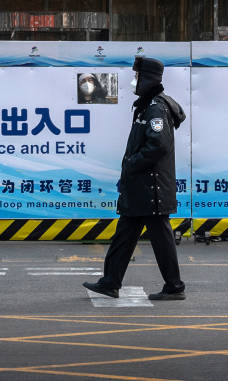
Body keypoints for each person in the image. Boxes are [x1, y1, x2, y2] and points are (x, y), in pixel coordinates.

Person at [83, 57, 186, 301]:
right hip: (142, 187)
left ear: (147, 79)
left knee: (159, 238)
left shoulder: (156, 108)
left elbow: (158, 145)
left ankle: (174, 286)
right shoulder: (147, 106)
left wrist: (132, 163)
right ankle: (111, 282)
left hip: (152, 189)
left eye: (137, 77)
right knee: (125, 235)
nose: (134, 81)